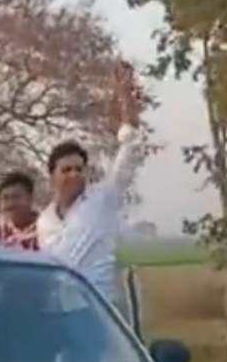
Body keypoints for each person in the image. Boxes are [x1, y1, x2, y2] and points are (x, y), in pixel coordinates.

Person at [36, 125, 145, 331]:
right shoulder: (44, 222)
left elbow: (125, 165)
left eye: (79, 169)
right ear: (52, 175)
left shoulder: (101, 199)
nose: (74, 175)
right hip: (62, 312)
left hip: (101, 308)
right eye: (66, 170)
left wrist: (128, 125)